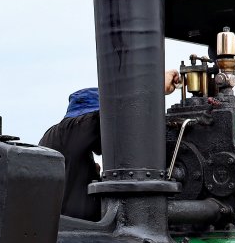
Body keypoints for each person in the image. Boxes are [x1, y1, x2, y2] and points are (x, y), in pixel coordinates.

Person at [40, 70, 182, 220]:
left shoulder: (60, 141)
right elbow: (118, 112)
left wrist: (91, 173)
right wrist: (154, 87)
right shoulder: (70, 129)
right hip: (72, 233)